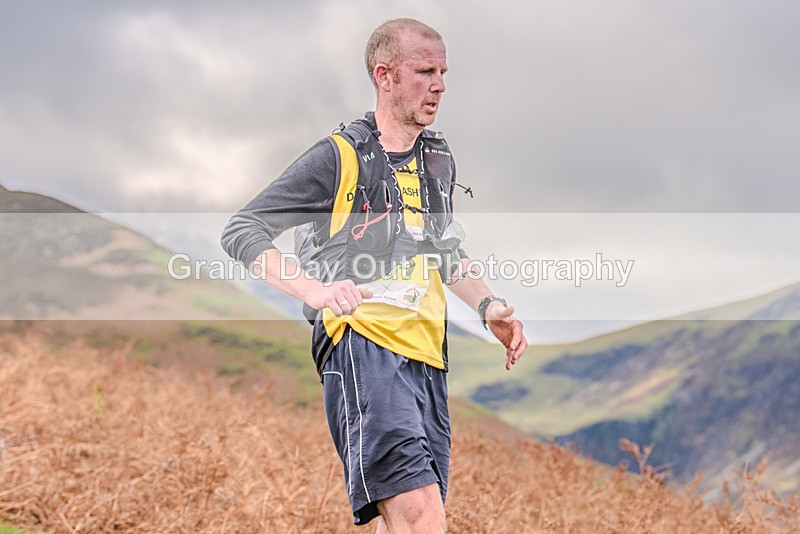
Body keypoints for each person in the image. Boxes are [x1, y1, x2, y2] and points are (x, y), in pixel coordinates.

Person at [221, 18, 527, 532]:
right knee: (420, 516)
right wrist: (313, 290)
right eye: (425, 71)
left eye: (443, 72)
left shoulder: (437, 159)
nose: (440, 85)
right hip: (363, 347)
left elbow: (444, 250)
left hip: (427, 355)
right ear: (384, 76)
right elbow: (242, 229)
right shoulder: (338, 157)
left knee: (401, 522)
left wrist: (488, 307)